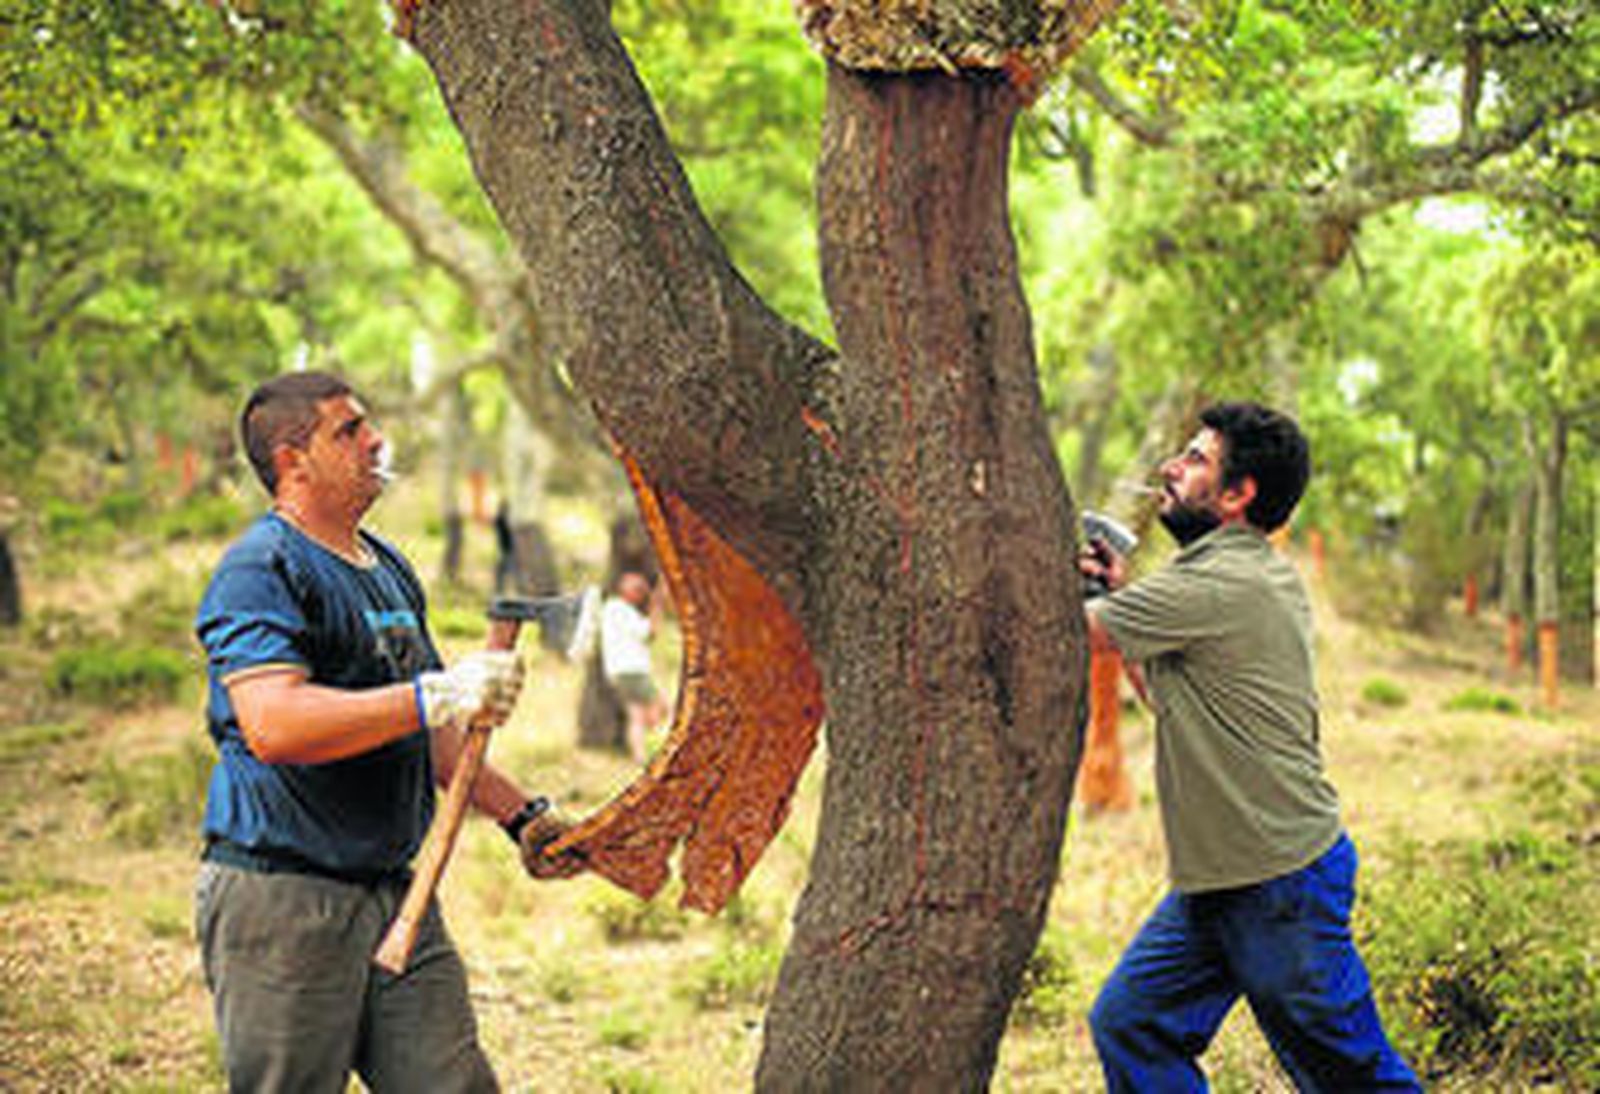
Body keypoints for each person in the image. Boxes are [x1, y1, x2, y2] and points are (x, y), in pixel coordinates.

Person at [193, 371, 574, 1094]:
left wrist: (523, 818)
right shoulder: (261, 568)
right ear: (292, 461)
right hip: (285, 899)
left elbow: (429, 738)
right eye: (349, 430)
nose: (375, 441)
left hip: (397, 895)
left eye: (368, 426)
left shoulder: (387, 566)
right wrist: (436, 693)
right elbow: (274, 725)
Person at [1079, 401, 1419, 1092]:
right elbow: (1171, 694)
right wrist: (1120, 595)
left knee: (1351, 1076)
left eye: (1195, 459)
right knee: (1131, 1023)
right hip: (1224, 881)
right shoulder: (1243, 575)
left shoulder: (1219, 581)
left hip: (1277, 882)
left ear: (1238, 495)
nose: (1170, 468)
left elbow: (1068, 631)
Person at [599, 570, 667, 762]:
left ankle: (640, 756)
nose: (641, 593)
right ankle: (656, 748)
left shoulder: (615, 609)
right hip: (632, 670)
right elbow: (650, 633)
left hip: (619, 671)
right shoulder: (620, 609)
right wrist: (657, 606)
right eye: (638, 589)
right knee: (660, 707)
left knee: (636, 716)